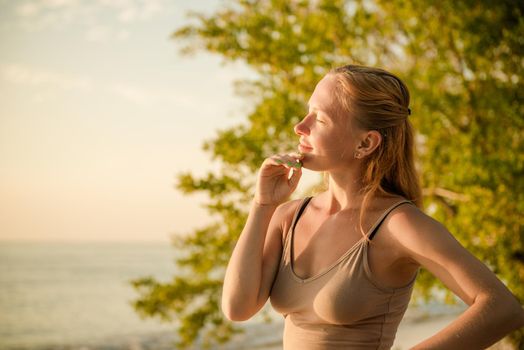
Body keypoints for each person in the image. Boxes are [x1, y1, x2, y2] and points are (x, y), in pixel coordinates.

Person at [221, 64, 524, 349]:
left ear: (366, 144)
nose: (301, 126)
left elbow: (503, 308)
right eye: (307, 112)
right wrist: (262, 205)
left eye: (321, 119)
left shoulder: (397, 223)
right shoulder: (289, 216)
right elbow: (237, 308)